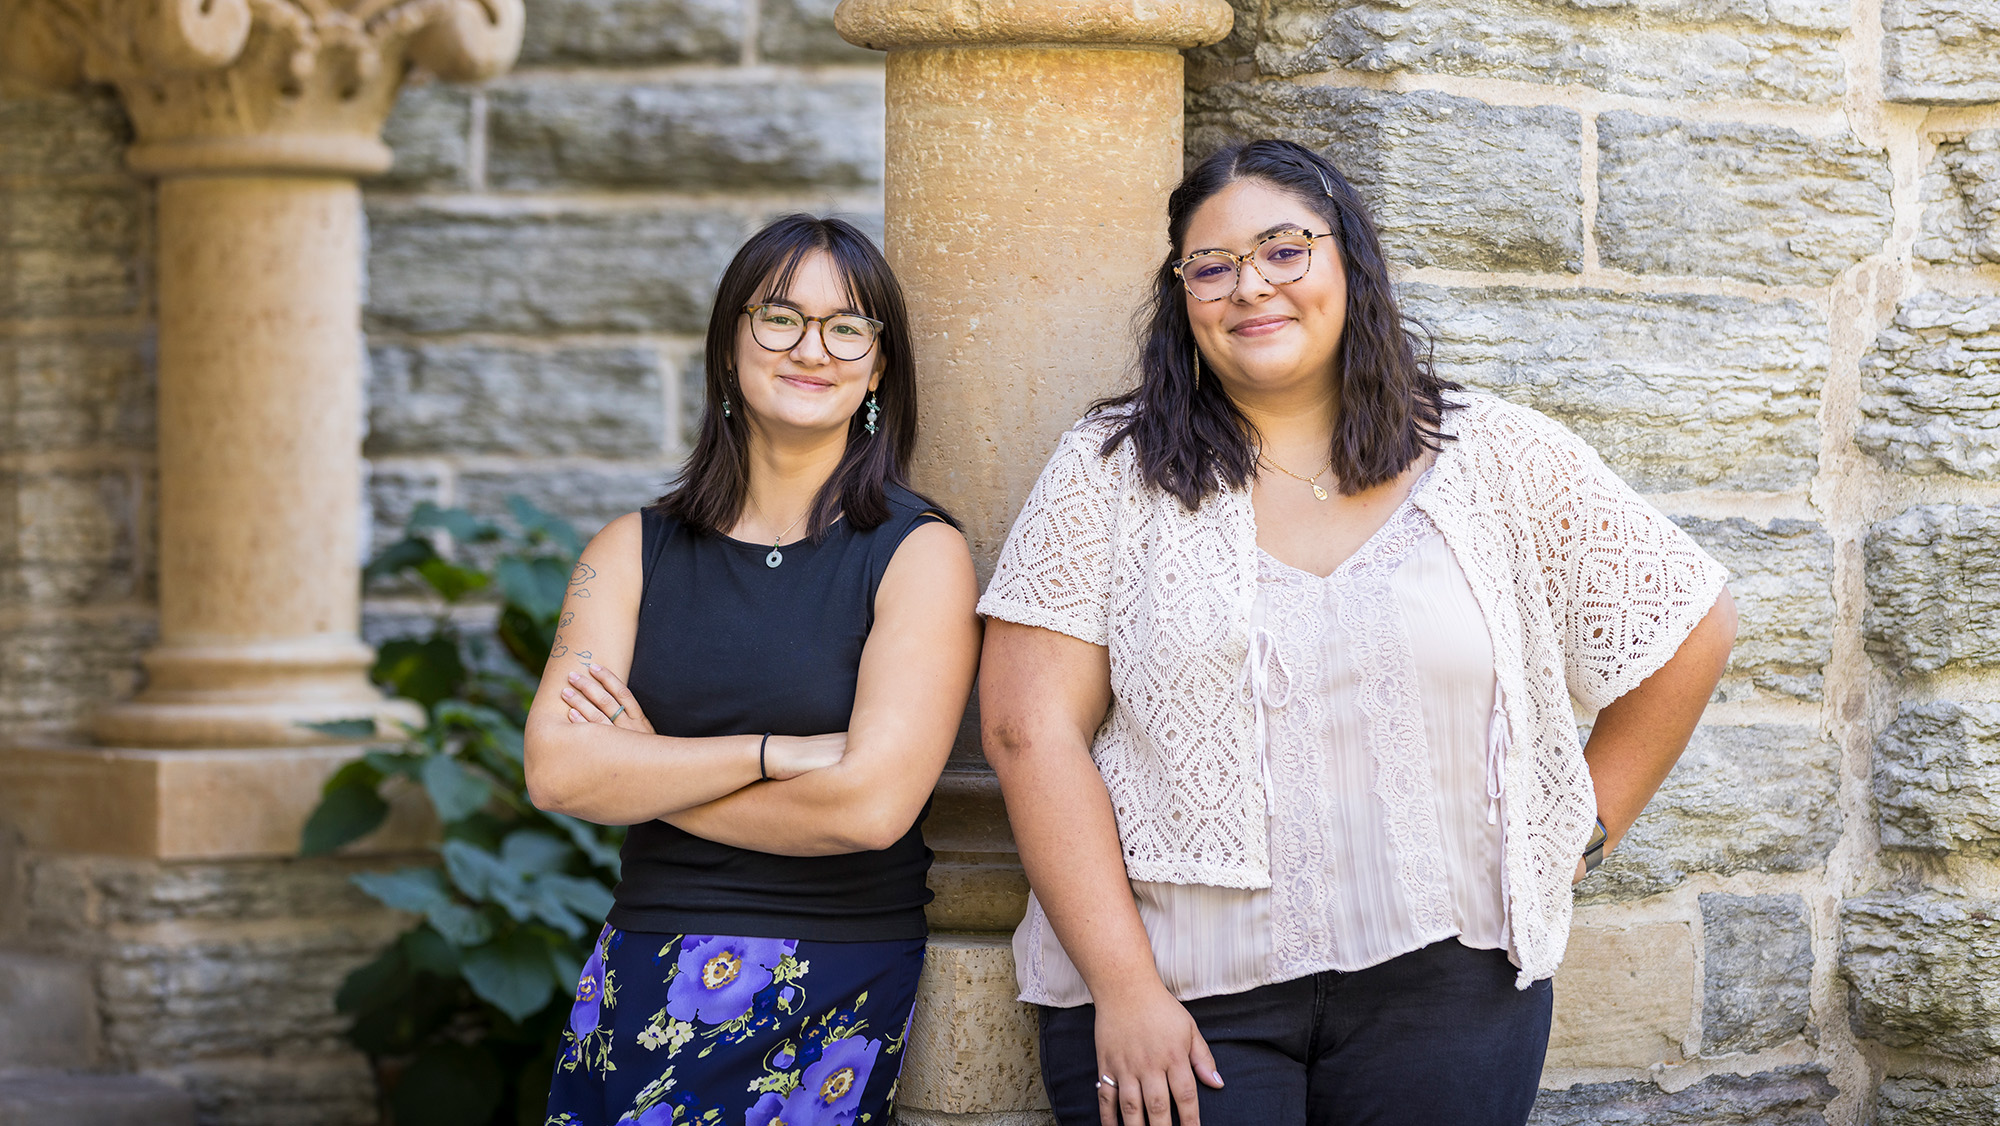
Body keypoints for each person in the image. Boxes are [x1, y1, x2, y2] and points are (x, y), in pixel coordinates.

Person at [977, 139, 1738, 1126]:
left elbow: (1688, 621)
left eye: (1284, 250)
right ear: (1181, 297)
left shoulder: (1492, 456)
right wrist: (1123, 989)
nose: (1249, 286)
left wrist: (1575, 835)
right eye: (1210, 266)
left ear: (1348, 261)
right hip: (1177, 995)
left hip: (1448, 993)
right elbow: (1026, 732)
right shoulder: (1109, 474)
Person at [524, 214, 980, 1126]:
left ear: (878, 365)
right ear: (731, 342)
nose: (812, 348)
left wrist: (649, 770)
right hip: (644, 960)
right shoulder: (629, 551)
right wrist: (779, 752)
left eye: (847, 327)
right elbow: (558, 769)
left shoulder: (919, 553)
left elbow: (870, 808)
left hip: (828, 976)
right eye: (779, 318)